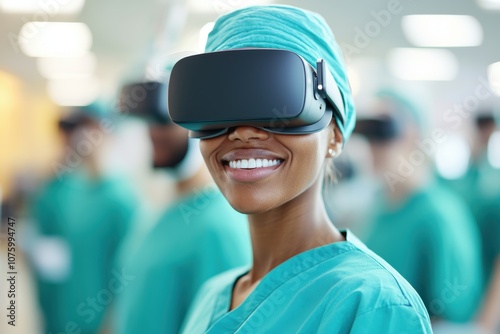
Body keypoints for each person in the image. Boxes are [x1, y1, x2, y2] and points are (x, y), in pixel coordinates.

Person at [169, 5, 431, 333]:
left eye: (277, 101)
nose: (242, 132)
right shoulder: (210, 298)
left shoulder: (371, 305)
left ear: (335, 135)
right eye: (221, 108)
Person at [113, 81, 251, 334]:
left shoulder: (218, 228)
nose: (153, 133)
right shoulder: (158, 211)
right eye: (149, 122)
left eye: (165, 122)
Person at [355, 90, 484, 324]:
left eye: (383, 132)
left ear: (414, 134)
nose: (374, 146)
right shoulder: (378, 207)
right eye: (369, 135)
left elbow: (453, 317)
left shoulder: (439, 214)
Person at [30, 104, 138, 334]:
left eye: (91, 127)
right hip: (62, 316)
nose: (82, 136)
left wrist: (111, 323)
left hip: (98, 324)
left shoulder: (123, 200)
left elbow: (128, 275)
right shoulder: (73, 192)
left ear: (109, 132)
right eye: (79, 128)